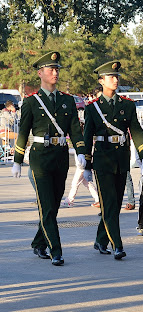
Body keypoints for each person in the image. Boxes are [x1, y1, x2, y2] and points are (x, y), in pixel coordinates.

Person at [12, 51, 86, 266]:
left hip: (60, 156)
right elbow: (23, 132)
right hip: (40, 157)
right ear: (40, 73)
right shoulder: (32, 102)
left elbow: (75, 130)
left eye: (57, 69)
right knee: (46, 205)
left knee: (53, 205)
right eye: (51, 69)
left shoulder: (67, 100)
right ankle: (56, 250)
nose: (55, 72)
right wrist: (17, 160)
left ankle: (38, 243)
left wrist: (81, 151)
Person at [83, 60, 143, 259]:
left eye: (117, 76)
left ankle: (101, 239)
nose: (115, 79)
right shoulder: (92, 108)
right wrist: (87, 164)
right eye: (111, 77)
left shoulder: (127, 105)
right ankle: (117, 245)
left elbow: (136, 131)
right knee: (109, 203)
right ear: (101, 80)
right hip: (103, 159)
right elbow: (87, 137)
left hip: (121, 158)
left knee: (114, 204)